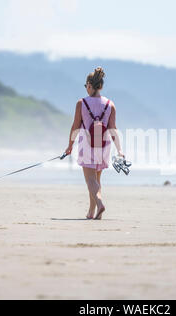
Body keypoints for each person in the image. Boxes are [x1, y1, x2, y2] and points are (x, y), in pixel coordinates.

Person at [64, 67, 124, 220]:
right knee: (96, 180)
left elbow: (75, 126)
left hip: (87, 145)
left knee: (90, 180)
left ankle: (99, 202)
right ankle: (92, 212)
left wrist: (70, 145)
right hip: (104, 145)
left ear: (89, 85)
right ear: (101, 86)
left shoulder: (81, 103)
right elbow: (113, 129)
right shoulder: (110, 104)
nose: (86, 89)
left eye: (86, 86)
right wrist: (119, 150)